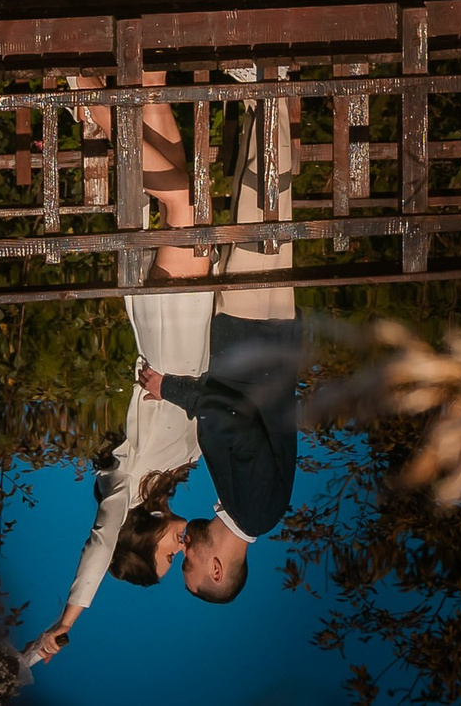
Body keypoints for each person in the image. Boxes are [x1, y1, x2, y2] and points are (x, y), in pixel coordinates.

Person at [134, 79, 300, 602]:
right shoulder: (255, 510)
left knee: (259, 211)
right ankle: (273, 84)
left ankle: (261, 98)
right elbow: (234, 423)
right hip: (255, 339)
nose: (186, 550)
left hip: (257, 342)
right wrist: (172, 390)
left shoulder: (248, 507)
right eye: (190, 564)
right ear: (217, 570)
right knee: (264, 208)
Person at [22, 286, 215, 662]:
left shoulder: (123, 490)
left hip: (170, 336)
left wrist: (65, 622)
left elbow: (101, 544)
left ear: (141, 541)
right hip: (202, 340)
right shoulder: (169, 476)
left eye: (169, 557)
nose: (180, 549)